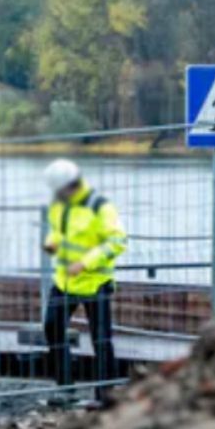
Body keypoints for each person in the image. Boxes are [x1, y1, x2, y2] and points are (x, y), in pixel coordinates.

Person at [41, 158, 127, 401]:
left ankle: (105, 394)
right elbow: (58, 231)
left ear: (70, 185)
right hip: (64, 282)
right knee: (52, 328)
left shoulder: (100, 207)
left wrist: (86, 262)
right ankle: (65, 388)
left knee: (101, 340)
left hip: (94, 282)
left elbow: (117, 242)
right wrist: (51, 242)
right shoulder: (59, 205)